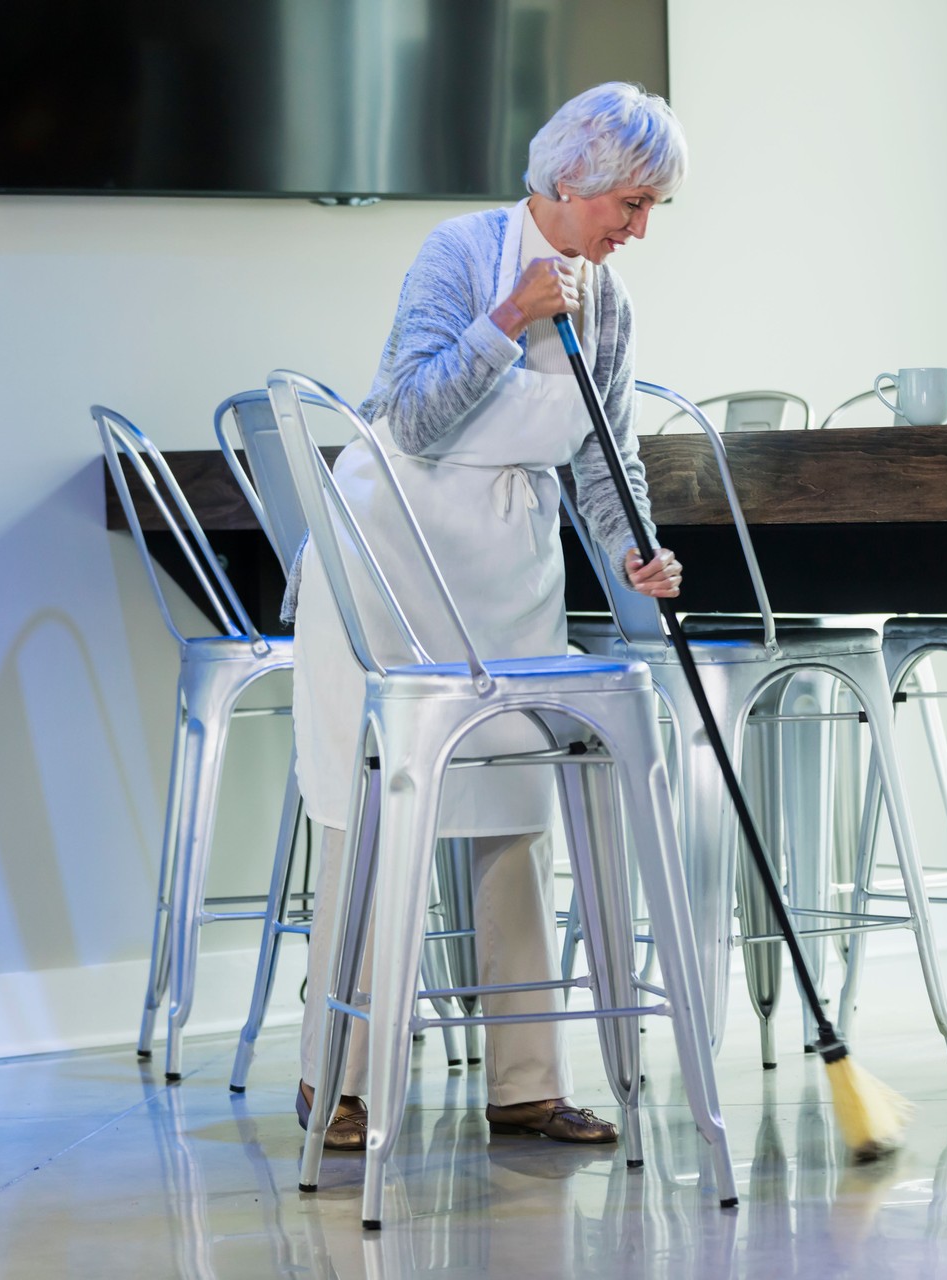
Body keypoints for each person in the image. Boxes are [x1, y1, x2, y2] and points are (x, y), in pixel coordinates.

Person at [290, 82, 686, 1150]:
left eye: (650, 210)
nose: (639, 229)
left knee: (514, 806)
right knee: (374, 814)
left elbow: (607, 454)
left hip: (506, 566)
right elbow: (412, 416)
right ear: (573, 182)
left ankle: (523, 1082)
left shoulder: (611, 302)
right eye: (633, 204)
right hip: (391, 558)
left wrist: (632, 550)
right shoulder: (458, 252)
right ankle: (343, 1082)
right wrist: (510, 315)